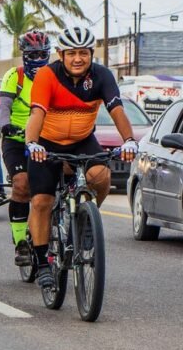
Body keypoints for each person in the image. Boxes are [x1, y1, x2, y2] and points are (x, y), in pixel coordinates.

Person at [26, 27, 137, 290]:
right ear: (61, 54)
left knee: (101, 176)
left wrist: (130, 140)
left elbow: (117, 109)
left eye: (84, 53)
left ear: (91, 54)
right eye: (72, 53)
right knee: (42, 200)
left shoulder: (102, 76)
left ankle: (87, 221)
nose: (78, 59)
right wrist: (32, 143)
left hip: (82, 140)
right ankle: (42, 262)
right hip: (46, 142)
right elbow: (37, 113)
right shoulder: (46, 75)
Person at [0, 31, 51, 267]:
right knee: (21, 184)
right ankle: (20, 242)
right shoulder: (14, 76)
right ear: (25, 56)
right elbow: (4, 107)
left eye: (42, 54)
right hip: (17, 139)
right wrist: (5, 127)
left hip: (45, 139)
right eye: (33, 55)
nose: (38, 60)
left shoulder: (54, 76)